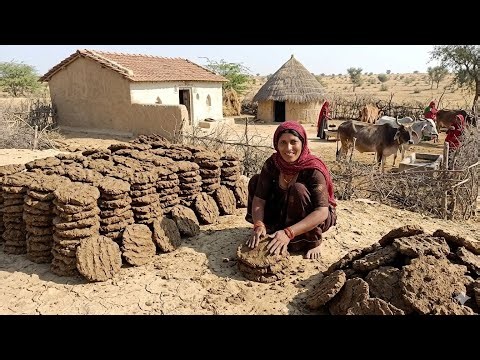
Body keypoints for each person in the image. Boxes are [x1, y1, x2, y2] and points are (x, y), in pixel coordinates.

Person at [245, 121, 337, 260]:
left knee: (297, 189)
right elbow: (259, 199)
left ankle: (311, 241)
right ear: (276, 144)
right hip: (286, 210)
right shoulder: (273, 164)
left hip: (315, 216)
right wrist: (258, 224)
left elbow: (321, 212)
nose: (288, 148)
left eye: (294, 142)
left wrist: (289, 233)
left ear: (303, 143)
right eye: (283, 142)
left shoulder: (313, 169)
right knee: (255, 181)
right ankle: (271, 229)